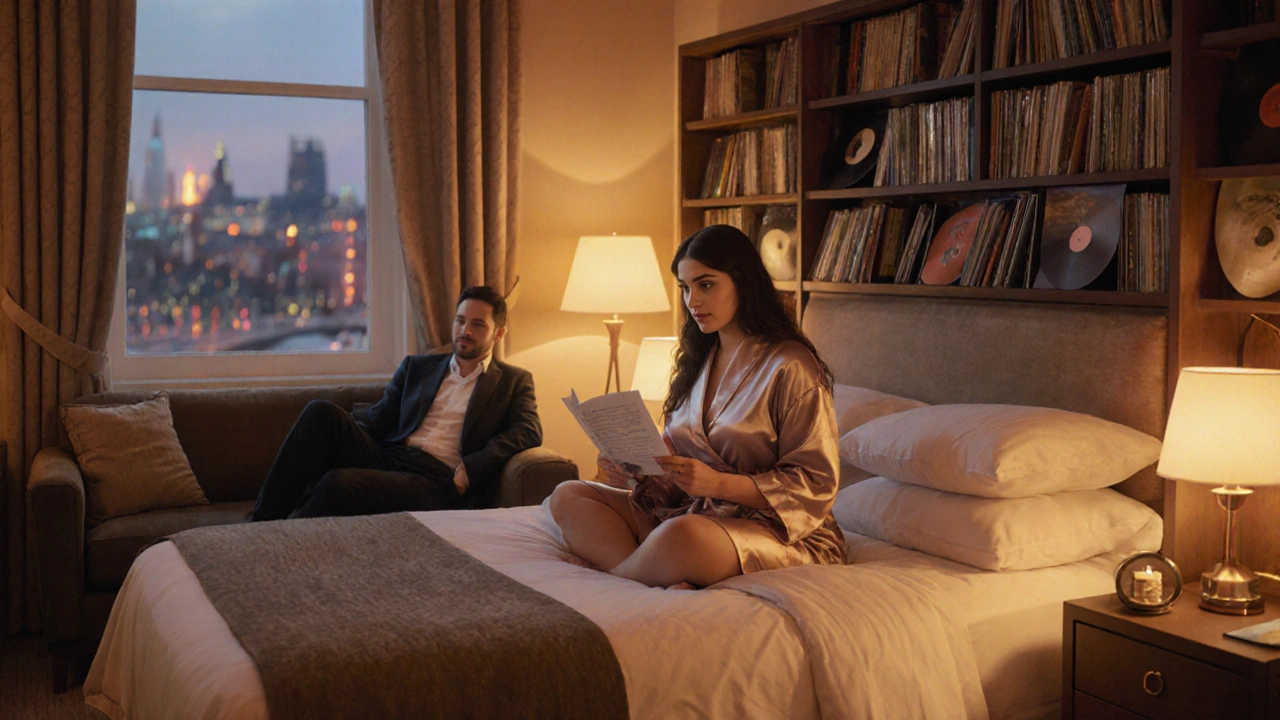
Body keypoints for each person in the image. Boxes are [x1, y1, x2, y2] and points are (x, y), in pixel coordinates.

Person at [549, 225, 844, 589]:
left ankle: (621, 578)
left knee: (681, 536)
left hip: (777, 529)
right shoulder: (700, 358)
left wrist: (719, 483)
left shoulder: (791, 365)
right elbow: (681, 461)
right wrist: (639, 472)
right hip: (692, 511)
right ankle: (648, 569)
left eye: (706, 285)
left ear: (743, 282)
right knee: (568, 495)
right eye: (686, 288)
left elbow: (815, 483)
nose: (692, 301)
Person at [249, 285, 542, 520]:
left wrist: (474, 467)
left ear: (498, 332)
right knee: (320, 412)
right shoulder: (418, 368)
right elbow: (379, 420)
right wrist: (339, 436)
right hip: (392, 457)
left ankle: (283, 541)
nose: (465, 331)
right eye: (460, 320)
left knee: (337, 483)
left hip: (439, 480)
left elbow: (528, 430)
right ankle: (261, 524)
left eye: (478, 325)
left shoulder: (513, 381)